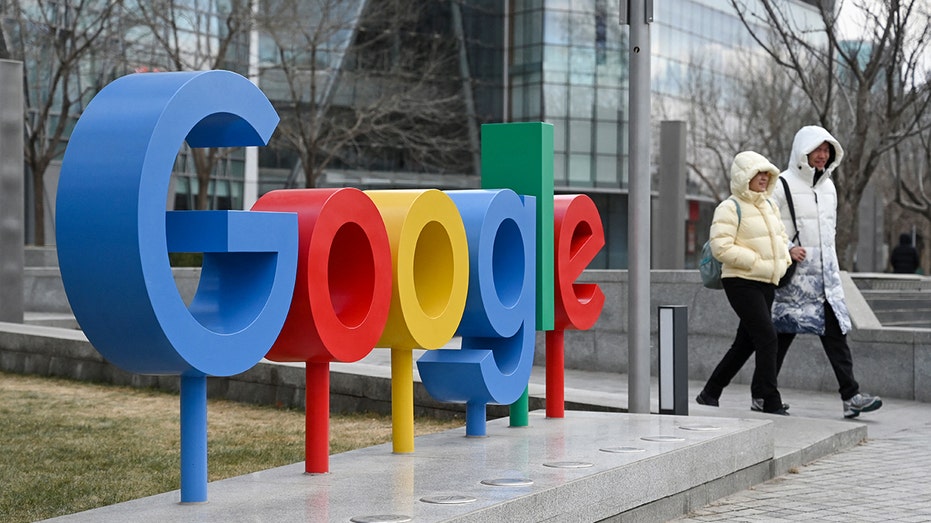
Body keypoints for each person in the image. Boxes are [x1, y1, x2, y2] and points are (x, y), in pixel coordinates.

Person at [769, 125, 883, 419]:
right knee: (780, 338)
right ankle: (763, 395)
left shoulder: (829, 186)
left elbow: (829, 233)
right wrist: (786, 250)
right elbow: (766, 227)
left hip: (825, 280)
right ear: (802, 151)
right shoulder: (781, 184)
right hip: (794, 278)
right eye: (816, 149)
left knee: (836, 335)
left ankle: (851, 396)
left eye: (826, 150)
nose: (821, 155)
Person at [695, 151, 793, 415]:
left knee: (746, 343)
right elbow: (720, 247)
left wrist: (782, 262)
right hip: (740, 281)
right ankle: (767, 398)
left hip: (767, 282)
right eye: (757, 173)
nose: (763, 178)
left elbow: (782, 239)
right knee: (768, 337)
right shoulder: (729, 207)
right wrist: (754, 261)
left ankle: (710, 392)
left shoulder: (769, 205)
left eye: (766, 174)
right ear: (743, 176)